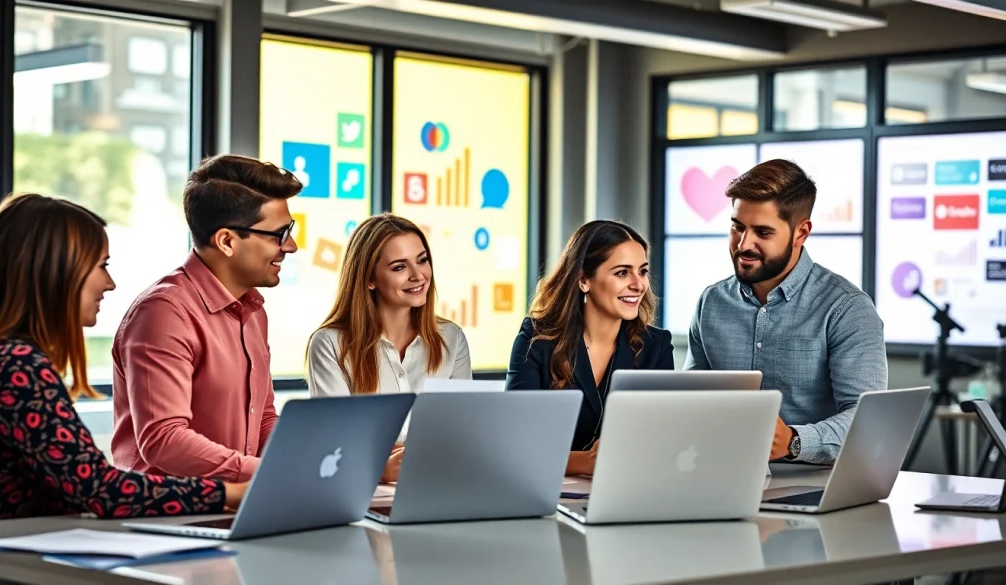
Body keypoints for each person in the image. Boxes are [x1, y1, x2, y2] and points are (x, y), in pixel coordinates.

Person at [0, 193, 246, 521]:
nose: (110, 283)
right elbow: (100, 490)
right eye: (101, 266)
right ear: (55, 270)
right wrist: (234, 491)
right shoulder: (14, 365)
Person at [685, 159, 887, 465]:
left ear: (801, 233)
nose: (743, 244)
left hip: (814, 483)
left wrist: (793, 441)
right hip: (718, 473)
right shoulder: (711, 302)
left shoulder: (847, 308)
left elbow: (867, 422)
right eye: (737, 227)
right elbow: (692, 401)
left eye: (763, 233)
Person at [111, 154, 301, 483]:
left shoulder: (253, 310)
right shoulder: (163, 313)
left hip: (233, 505)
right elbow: (164, 442)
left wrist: (326, 461)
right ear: (227, 241)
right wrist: (273, 473)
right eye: (278, 235)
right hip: (166, 521)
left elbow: (263, 419)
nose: (292, 246)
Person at [306, 213, 472, 482]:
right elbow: (333, 446)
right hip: (363, 490)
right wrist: (381, 465)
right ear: (370, 279)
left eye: (422, 260)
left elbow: (463, 433)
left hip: (439, 481)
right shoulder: (329, 344)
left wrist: (377, 451)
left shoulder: (451, 338)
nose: (418, 276)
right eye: (399, 267)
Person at [505, 220, 674, 476]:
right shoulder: (537, 340)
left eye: (642, 271)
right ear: (584, 280)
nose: (639, 285)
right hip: (545, 490)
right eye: (622, 272)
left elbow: (661, 442)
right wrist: (585, 462)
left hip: (627, 490)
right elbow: (515, 446)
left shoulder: (656, 346)